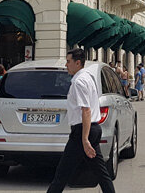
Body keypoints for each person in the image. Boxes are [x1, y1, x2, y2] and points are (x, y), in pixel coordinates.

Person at [46, 48, 116, 193]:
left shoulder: (79, 81)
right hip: (92, 129)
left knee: (62, 173)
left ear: (78, 63)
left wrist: (84, 139)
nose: (66, 65)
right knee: (100, 172)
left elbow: (86, 110)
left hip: (83, 131)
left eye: (68, 61)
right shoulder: (87, 77)